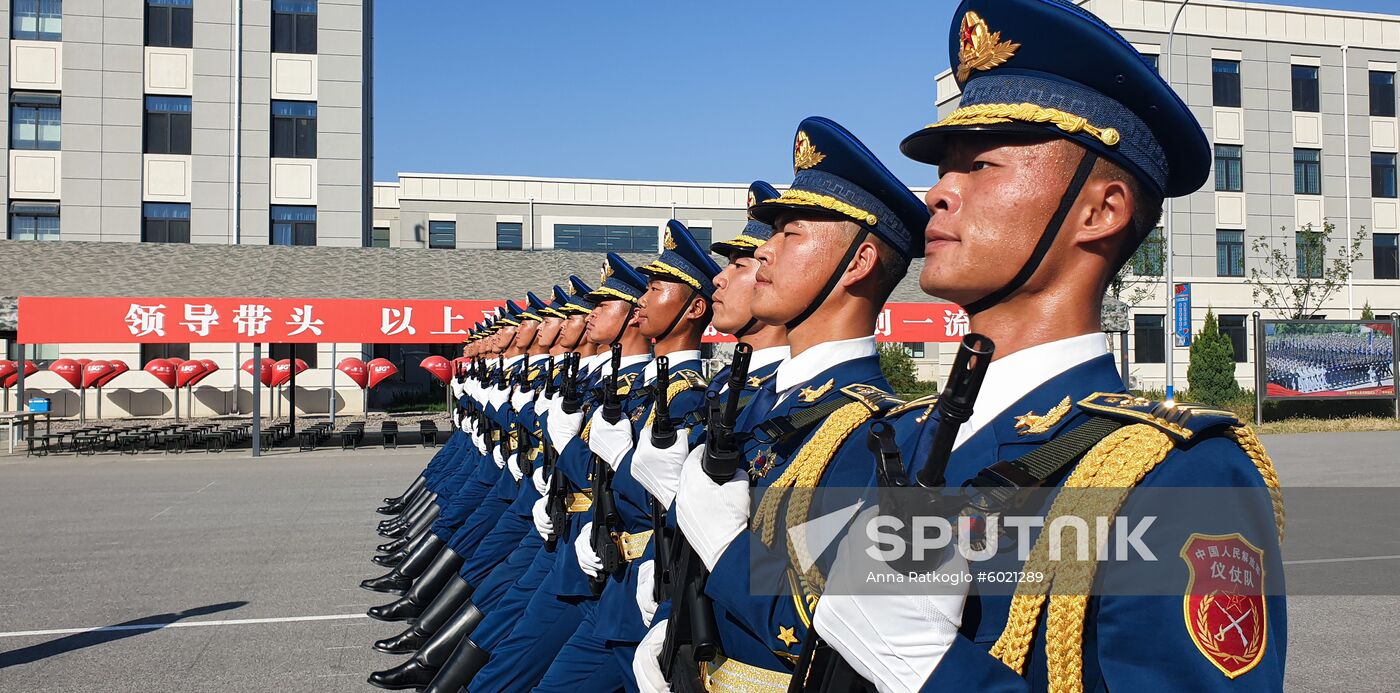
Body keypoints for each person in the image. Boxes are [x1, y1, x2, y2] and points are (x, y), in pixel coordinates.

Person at [808, 1, 1287, 691]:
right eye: (945, 167)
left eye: (981, 165)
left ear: (1101, 211)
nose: (939, 192)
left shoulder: (1183, 477)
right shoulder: (888, 436)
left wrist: (934, 670)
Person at [642, 116, 931, 690]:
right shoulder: (764, 400)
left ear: (857, 263)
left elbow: (817, 625)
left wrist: (726, 547)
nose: (762, 254)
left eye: (789, 234)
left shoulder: (874, 433)